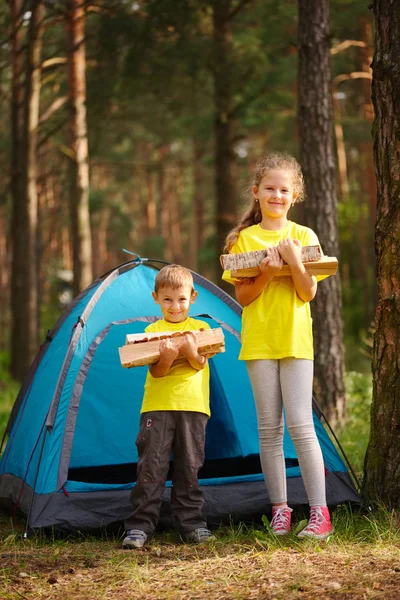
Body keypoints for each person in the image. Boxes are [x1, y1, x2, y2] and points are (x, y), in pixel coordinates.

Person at [222, 152, 333, 540]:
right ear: (256, 193)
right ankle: (281, 511)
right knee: (270, 429)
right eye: (269, 188)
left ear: (295, 195)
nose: (276, 195)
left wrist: (294, 262)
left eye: (284, 190)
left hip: (296, 342)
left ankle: (320, 515)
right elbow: (245, 298)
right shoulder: (244, 241)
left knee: (302, 426)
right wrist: (268, 272)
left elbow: (307, 293)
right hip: (259, 343)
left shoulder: (304, 237)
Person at [123, 264, 215, 549]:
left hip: (193, 407)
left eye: (181, 299)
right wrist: (165, 357)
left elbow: (200, 363)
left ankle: (192, 524)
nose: (175, 306)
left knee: (189, 466)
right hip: (158, 407)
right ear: (156, 298)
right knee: (152, 466)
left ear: (193, 297)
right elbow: (158, 373)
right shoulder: (152, 331)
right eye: (167, 300)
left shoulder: (201, 329)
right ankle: (140, 526)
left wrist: (189, 351)